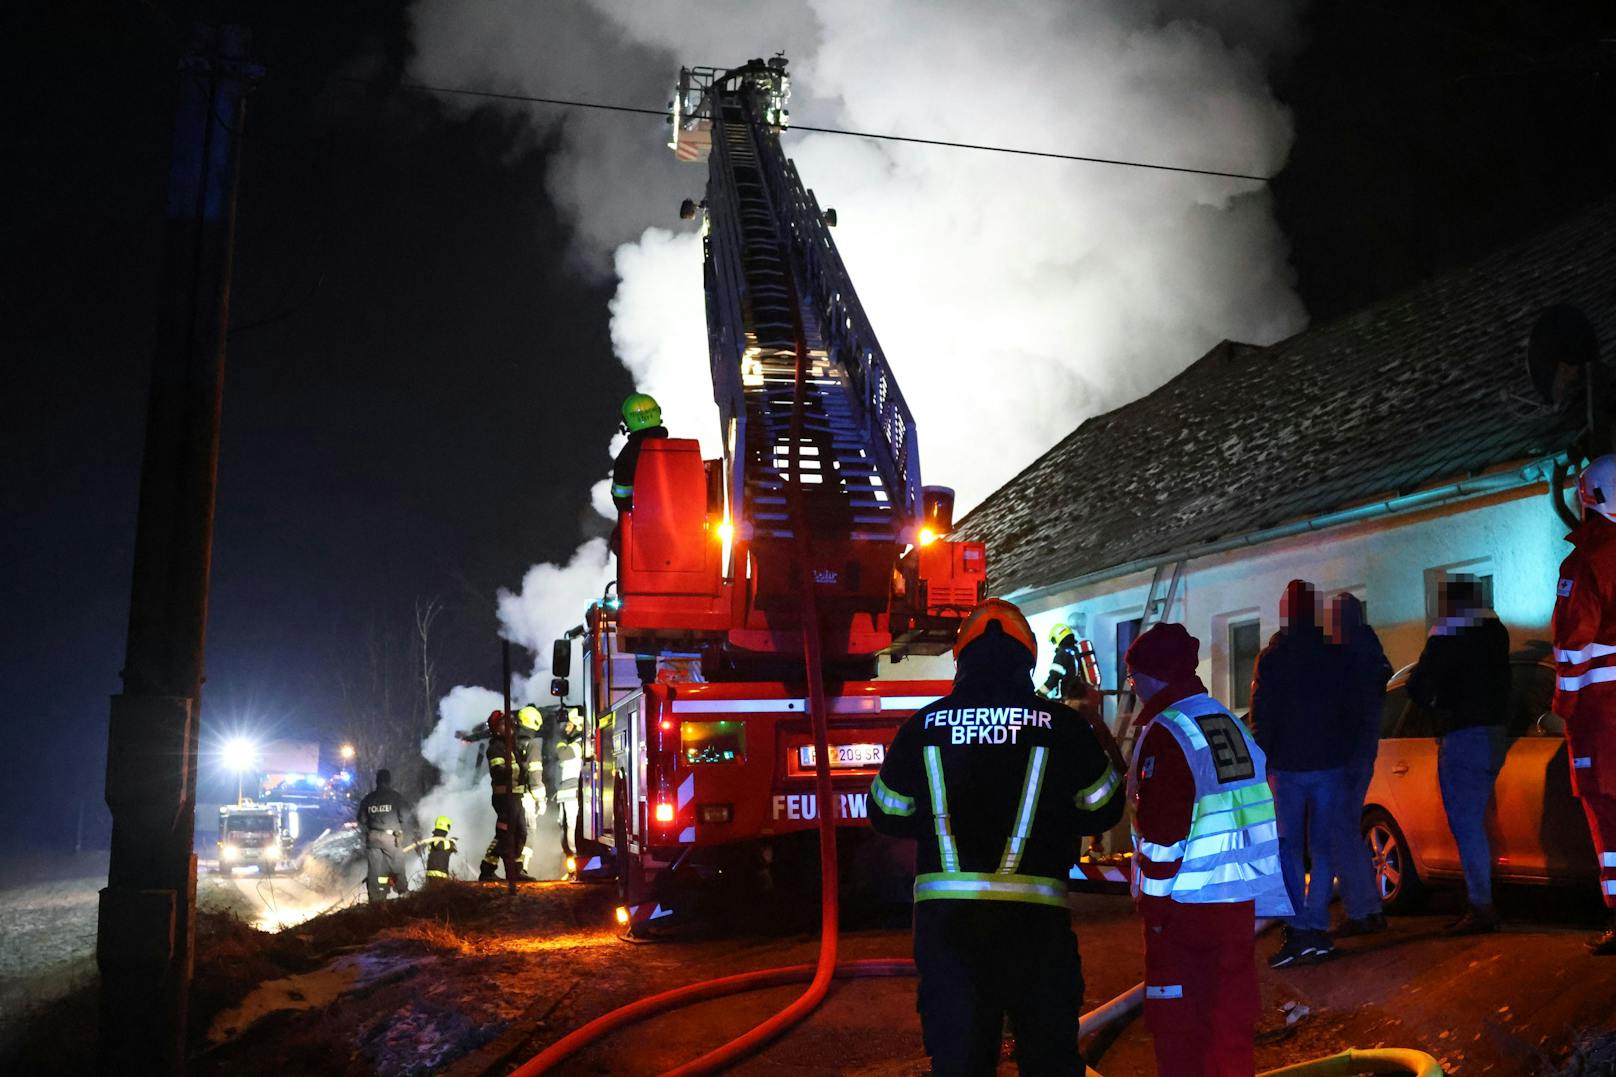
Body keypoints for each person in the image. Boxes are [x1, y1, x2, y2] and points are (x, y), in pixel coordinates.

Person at [868, 598, 1125, 1076]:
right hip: (1036, 926)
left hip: (949, 927)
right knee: (1048, 1058)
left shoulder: (922, 726)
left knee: (960, 1061)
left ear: (961, 659)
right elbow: (1104, 806)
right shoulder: (1062, 725)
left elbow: (886, 811)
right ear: (1028, 659)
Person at [1127, 622, 1291, 1077]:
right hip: (1237, 902)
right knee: (1229, 1023)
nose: (1132, 687)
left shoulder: (1167, 731)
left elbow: (1163, 835)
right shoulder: (1224, 720)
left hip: (1185, 908)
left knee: (1180, 1029)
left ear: (1151, 676)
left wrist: (1155, 910)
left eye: (1133, 677)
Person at [1249, 579, 1354, 966]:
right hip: (1329, 763)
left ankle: (1298, 931)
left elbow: (1262, 712)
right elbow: (1349, 707)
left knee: (1289, 849)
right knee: (1322, 848)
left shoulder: (1274, 657)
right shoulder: (1334, 654)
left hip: (1289, 767)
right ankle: (1317, 927)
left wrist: (1267, 754)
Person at [1407, 575, 1511, 934]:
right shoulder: (1496, 633)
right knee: (1480, 821)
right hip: (1497, 732)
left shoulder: (1448, 636)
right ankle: (1485, 898)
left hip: (1463, 733)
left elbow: (1419, 683)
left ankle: (1481, 905)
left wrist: (1437, 701)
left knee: (1466, 825)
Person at [1552, 453, 1616, 955]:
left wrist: (1563, 703)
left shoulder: (1586, 561)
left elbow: (1574, 644)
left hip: (1601, 717)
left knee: (1607, 817)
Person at [1328, 593, 1394, 937]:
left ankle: (1362, 911)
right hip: (1361, 752)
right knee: (1346, 831)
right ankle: (1368, 908)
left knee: (1340, 832)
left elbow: (1342, 707)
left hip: (1347, 755)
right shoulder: (1370, 651)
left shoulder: (1349, 654)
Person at [481, 711, 538, 884]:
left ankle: (515, 871)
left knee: (520, 832)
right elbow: (498, 772)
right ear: (496, 729)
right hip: (504, 798)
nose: (510, 728)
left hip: (515, 796)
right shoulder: (496, 748)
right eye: (504, 725)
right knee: (504, 834)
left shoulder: (510, 747)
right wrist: (518, 770)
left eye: (510, 724)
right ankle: (487, 869)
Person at [357, 769, 413, 903]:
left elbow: (362, 819)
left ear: (377, 781)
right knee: (397, 864)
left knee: (374, 870)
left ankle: (375, 899)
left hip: (373, 838)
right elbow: (405, 817)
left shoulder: (368, 799)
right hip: (390, 838)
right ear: (389, 780)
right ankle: (403, 892)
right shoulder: (396, 797)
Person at [421, 815, 458, 884]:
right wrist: (452, 842)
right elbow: (439, 845)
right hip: (439, 876)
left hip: (431, 875)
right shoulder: (439, 839)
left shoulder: (435, 838)